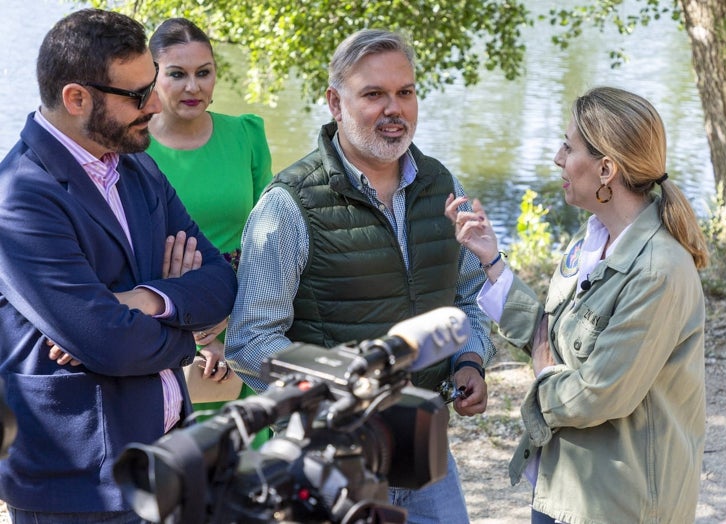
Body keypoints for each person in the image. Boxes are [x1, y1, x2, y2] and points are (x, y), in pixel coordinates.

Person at [226, 28, 496, 522]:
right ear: (335, 101)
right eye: (374, 94)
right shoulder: (288, 206)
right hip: (329, 461)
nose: (395, 109)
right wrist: (340, 394)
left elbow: (470, 295)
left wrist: (470, 360)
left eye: (405, 92)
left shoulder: (442, 186)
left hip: (425, 452)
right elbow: (249, 342)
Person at [0, 8, 237, 523]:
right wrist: (186, 333)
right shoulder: (19, 196)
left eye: (152, 85)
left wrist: (146, 298)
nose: (155, 104)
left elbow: (220, 282)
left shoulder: (139, 166)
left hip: (171, 455)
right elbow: (104, 339)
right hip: (83, 485)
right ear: (76, 98)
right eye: (136, 95)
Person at [446, 86, 709, 523]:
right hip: (565, 491)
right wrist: (491, 260)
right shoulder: (592, 241)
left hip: (619, 507)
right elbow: (549, 334)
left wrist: (541, 376)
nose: (557, 157)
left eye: (569, 147)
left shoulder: (658, 271)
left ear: (606, 168)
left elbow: (598, 393)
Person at [146, 17, 273, 427]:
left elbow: (268, 241)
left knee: (248, 464)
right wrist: (197, 329)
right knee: (175, 466)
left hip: (242, 316)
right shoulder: (130, 149)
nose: (193, 87)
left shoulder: (246, 134)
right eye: (177, 74)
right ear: (152, 77)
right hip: (162, 325)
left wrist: (229, 325)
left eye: (204, 73)